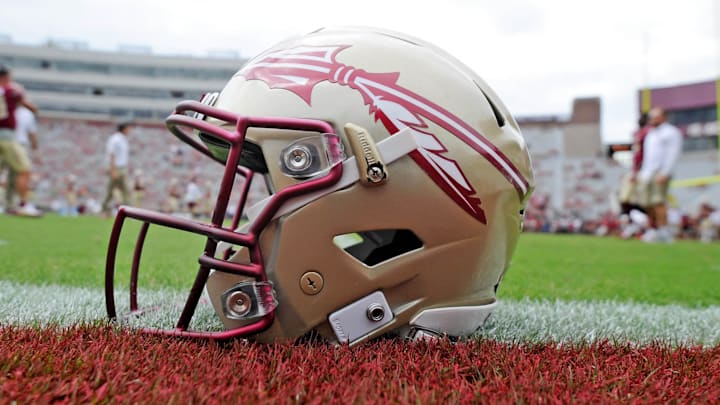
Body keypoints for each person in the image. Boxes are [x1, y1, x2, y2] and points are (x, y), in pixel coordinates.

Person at [0, 64, 42, 217]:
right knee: (24, 170)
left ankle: (9, 204)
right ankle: (23, 205)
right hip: (6, 136)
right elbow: (31, 106)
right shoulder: (10, 91)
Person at [637, 107, 683, 243]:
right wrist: (642, 172)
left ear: (663, 117)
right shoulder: (650, 134)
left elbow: (673, 154)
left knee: (658, 202)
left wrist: (665, 172)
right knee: (646, 203)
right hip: (647, 172)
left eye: (654, 116)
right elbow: (647, 156)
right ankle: (655, 229)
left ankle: (664, 231)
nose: (651, 119)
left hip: (660, 171)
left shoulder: (671, 132)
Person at [101, 121, 133, 215]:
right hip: (117, 168)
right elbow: (112, 154)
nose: (130, 130)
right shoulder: (115, 139)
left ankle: (128, 210)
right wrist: (113, 170)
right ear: (124, 128)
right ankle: (105, 209)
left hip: (122, 167)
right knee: (111, 190)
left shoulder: (123, 139)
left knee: (125, 190)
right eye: (128, 128)